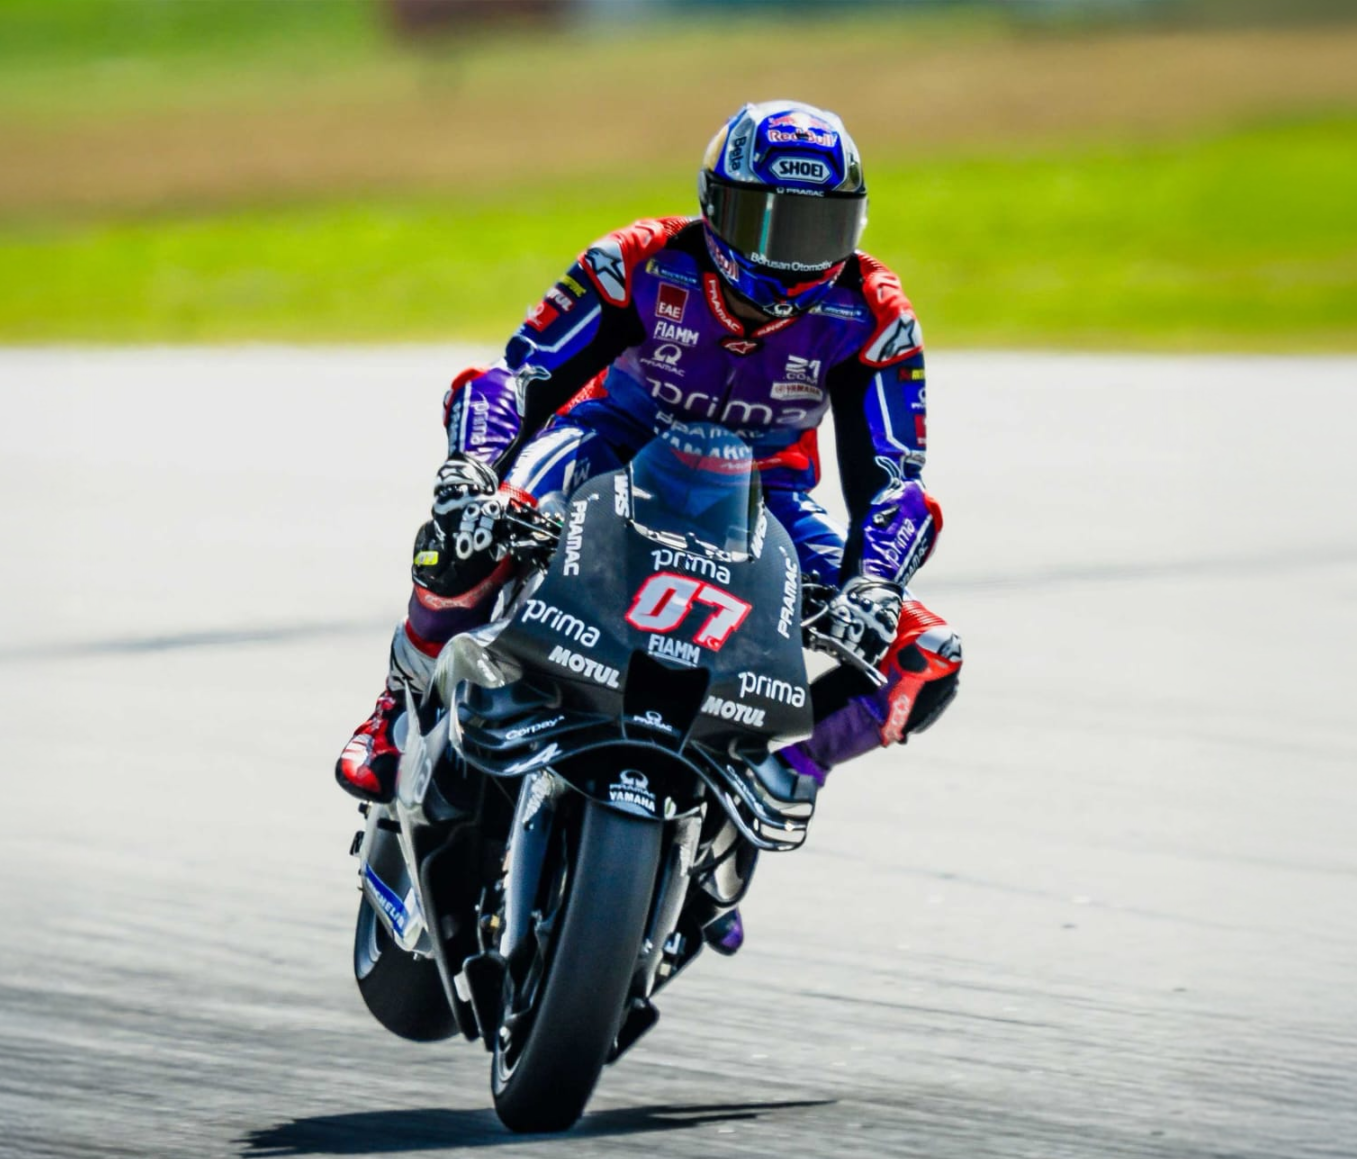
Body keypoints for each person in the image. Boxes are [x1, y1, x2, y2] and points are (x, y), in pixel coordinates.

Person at [337, 99, 962, 810]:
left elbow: (895, 479)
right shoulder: (636, 259)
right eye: (768, 222)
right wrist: (470, 471)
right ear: (715, 205)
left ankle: (772, 773)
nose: (791, 255)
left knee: (927, 653)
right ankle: (396, 712)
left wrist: (875, 585)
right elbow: (522, 376)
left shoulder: (873, 313)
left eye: (817, 228)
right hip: (607, 448)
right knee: (465, 535)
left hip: (765, 497)